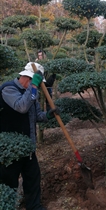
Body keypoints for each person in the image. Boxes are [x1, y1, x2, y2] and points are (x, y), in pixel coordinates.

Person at [0, 62, 59, 210]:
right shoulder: (8, 89)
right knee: (9, 181)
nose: (38, 87)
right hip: (10, 150)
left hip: (28, 147)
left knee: (33, 177)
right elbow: (22, 107)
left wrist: (48, 115)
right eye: (37, 83)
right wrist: (33, 86)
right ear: (27, 77)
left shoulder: (32, 92)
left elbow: (36, 115)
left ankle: (34, 206)